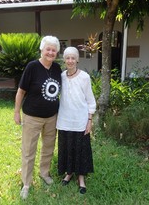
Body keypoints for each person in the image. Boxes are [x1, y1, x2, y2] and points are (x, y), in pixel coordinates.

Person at [14, 35, 62, 199]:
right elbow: (21, 91)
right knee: (29, 150)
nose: (50, 52)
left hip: (51, 117)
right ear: (42, 49)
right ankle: (26, 183)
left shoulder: (57, 68)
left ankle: (44, 173)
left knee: (48, 147)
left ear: (56, 52)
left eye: (53, 50)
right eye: (48, 49)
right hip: (32, 117)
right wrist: (16, 112)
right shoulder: (32, 67)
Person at [56, 46, 96, 194]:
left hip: (80, 120)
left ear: (77, 59)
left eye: (73, 58)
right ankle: (69, 173)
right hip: (65, 120)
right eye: (67, 58)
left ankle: (81, 178)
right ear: (64, 60)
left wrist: (90, 119)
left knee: (80, 149)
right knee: (67, 147)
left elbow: (91, 100)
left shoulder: (84, 77)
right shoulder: (61, 76)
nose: (70, 61)